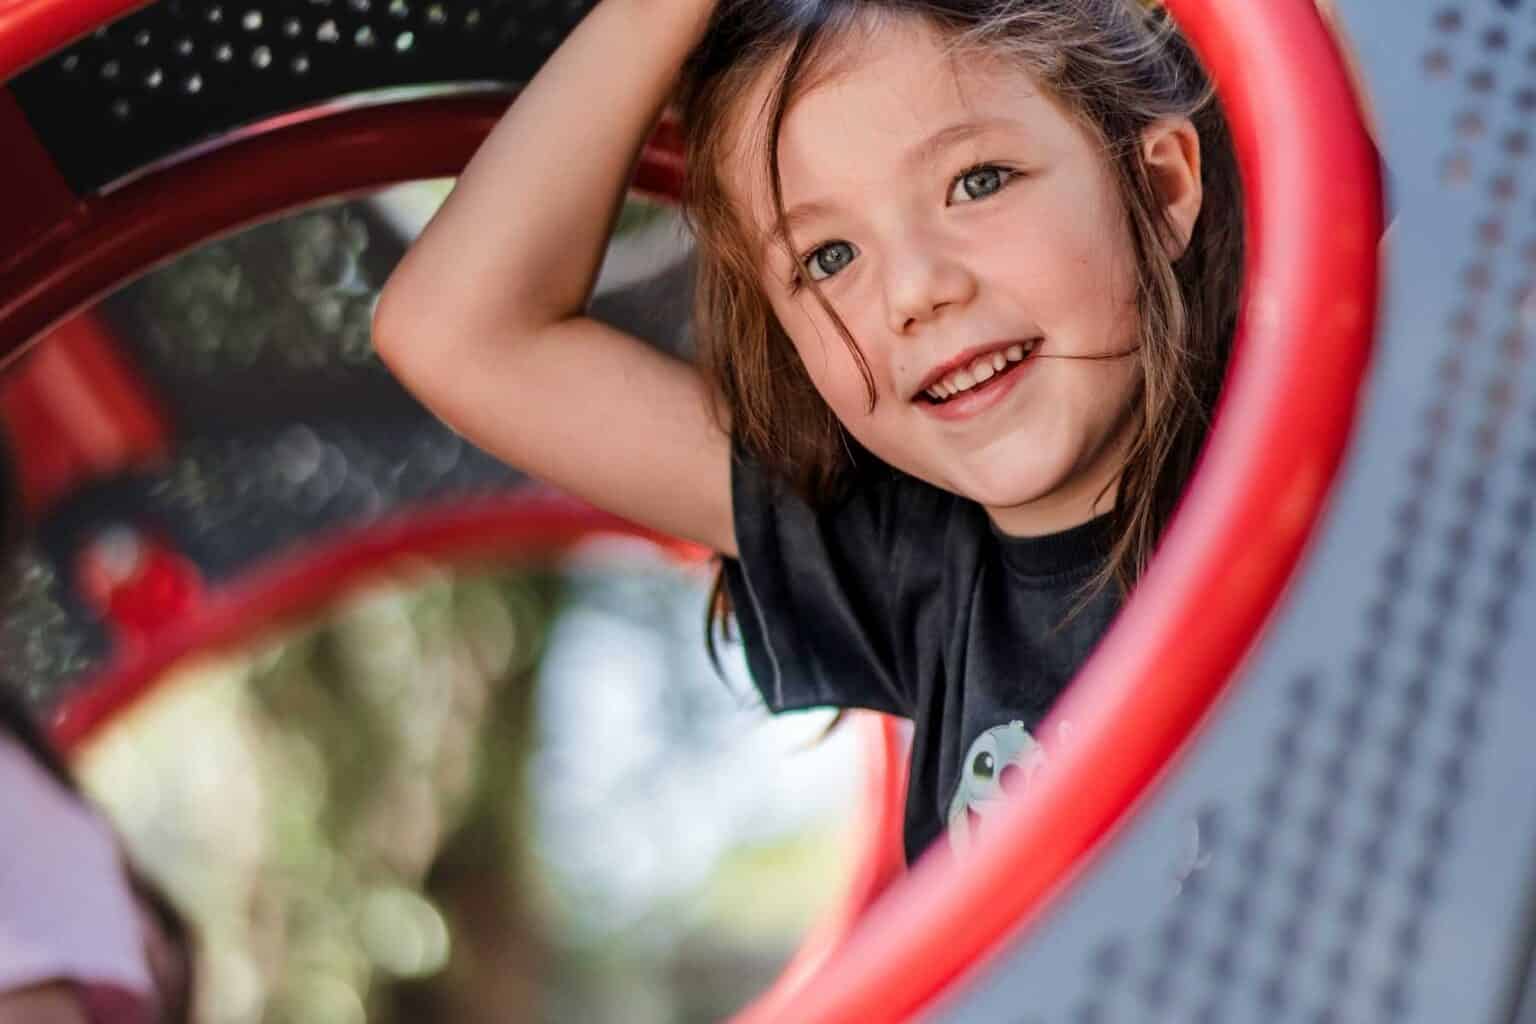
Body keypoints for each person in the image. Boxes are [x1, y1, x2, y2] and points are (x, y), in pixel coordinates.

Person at [373, 0, 1243, 861]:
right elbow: (459, 335)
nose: (914, 292)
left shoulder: (1321, 434)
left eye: (977, 182)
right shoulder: (906, 557)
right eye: (829, 258)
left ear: (1160, 184)